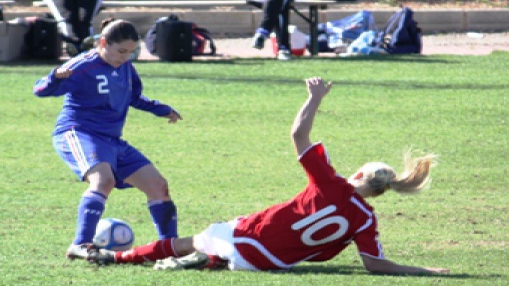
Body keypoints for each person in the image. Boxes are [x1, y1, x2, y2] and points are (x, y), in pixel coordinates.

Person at [87, 77, 450, 276]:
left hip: (250, 237)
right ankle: (211, 261)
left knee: (191, 240)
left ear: (357, 174)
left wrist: (315, 98)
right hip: (274, 263)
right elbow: (375, 264)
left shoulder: (331, 183)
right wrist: (427, 271)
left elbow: (298, 136)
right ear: (383, 192)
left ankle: (117, 258)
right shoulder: (365, 218)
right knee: (217, 247)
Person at [33, 18, 183, 261]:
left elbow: (134, 97)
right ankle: (81, 244)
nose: (125, 57)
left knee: (158, 186)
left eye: (131, 52)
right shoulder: (83, 66)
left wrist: (161, 109)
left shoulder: (125, 66)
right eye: (121, 51)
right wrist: (55, 77)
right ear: (103, 43)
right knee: (103, 181)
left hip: (112, 139)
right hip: (78, 132)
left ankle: (169, 248)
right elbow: (39, 90)